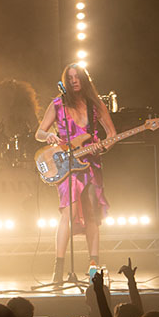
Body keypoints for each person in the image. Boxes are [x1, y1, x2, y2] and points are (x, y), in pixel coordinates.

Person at [35, 63, 116, 283]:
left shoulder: (96, 105)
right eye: (69, 77)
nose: (73, 81)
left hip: (91, 163)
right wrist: (49, 136)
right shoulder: (58, 104)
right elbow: (39, 133)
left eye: (76, 77)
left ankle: (93, 267)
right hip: (66, 164)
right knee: (68, 213)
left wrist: (104, 146)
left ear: (83, 79)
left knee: (92, 215)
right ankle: (58, 270)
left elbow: (112, 133)